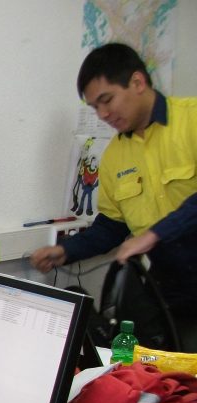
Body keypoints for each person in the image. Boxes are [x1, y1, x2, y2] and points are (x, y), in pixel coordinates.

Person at [29, 42, 197, 350]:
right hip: (173, 298)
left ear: (137, 82)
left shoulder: (192, 120)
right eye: (94, 107)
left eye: (107, 100)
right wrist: (67, 252)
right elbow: (112, 227)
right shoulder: (115, 156)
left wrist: (153, 235)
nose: (103, 114)